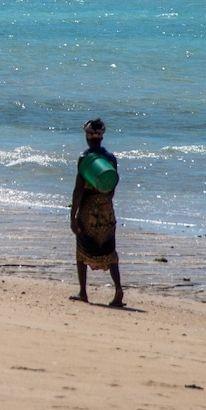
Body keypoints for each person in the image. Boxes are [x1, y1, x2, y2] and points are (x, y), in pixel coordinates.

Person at [70, 118, 123, 307]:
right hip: (107, 208)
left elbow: (78, 190)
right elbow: (112, 188)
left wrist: (73, 216)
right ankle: (118, 288)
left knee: (82, 249)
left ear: (87, 137)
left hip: (88, 208)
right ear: (101, 138)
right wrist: (105, 203)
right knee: (109, 249)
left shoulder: (85, 159)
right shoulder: (110, 159)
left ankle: (83, 292)